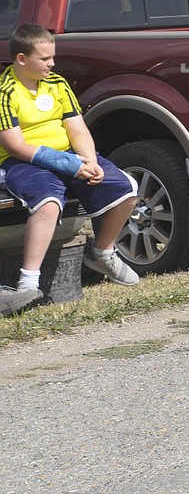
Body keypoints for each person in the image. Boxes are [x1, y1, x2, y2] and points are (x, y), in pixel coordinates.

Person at [0, 23, 139, 315]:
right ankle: (28, 283)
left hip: (70, 157)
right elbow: (15, 146)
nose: (52, 64)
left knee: (127, 190)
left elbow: (77, 129)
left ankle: (102, 252)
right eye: (44, 59)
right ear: (21, 59)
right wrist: (68, 165)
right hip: (24, 163)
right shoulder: (6, 91)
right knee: (48, 205)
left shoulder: (58, 84)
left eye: (53, 57)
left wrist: (88, 160)